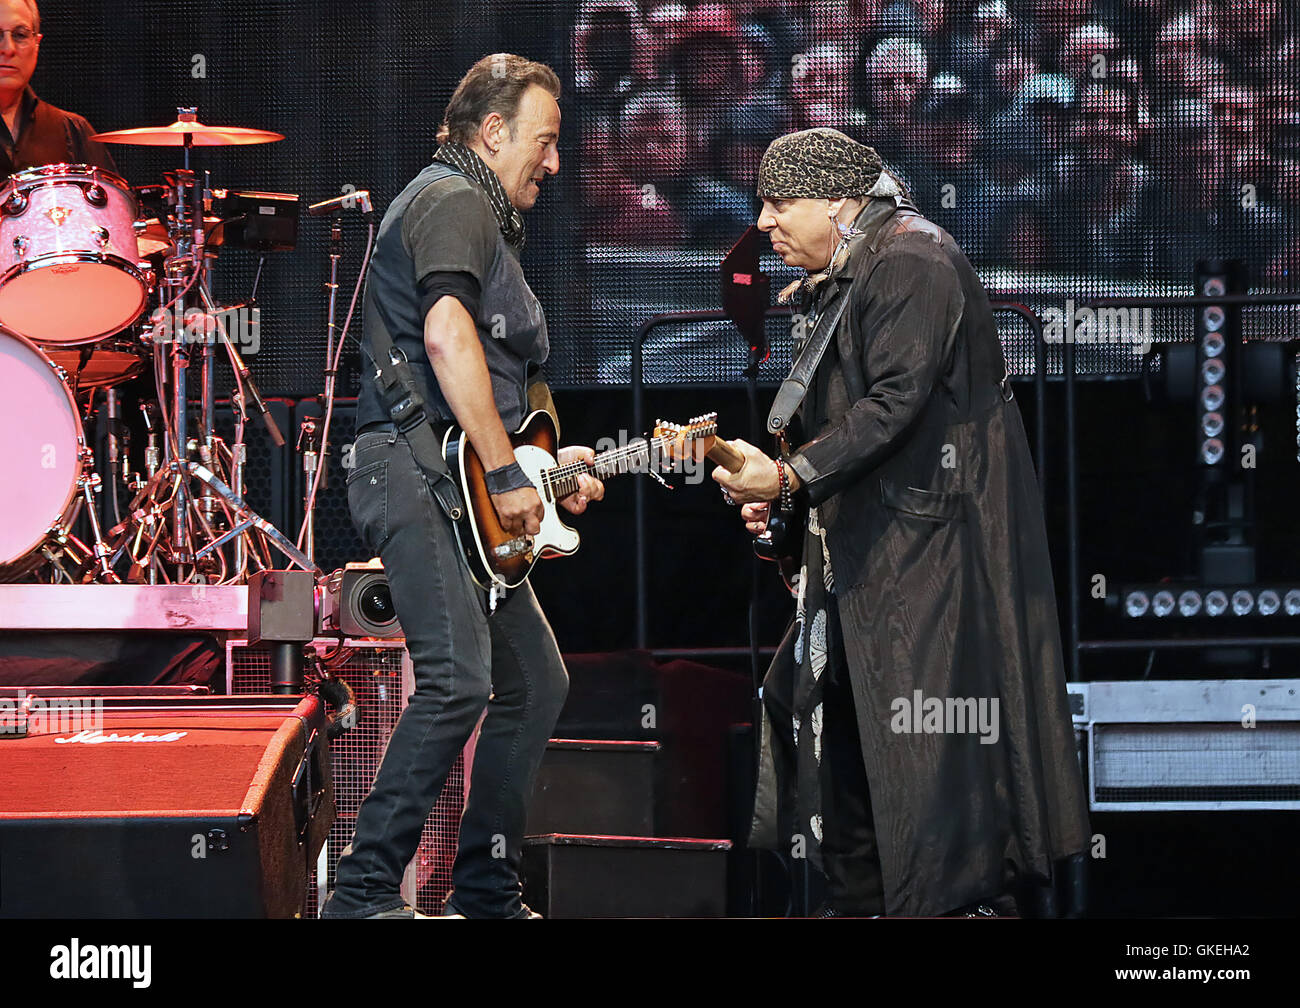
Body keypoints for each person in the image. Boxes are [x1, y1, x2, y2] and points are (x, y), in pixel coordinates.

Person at [713, 127, 1089, 917]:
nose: (764, 222)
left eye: (780, 202)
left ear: (841, 203)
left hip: (932, 564)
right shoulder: (844, 278)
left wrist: (786, 477)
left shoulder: (913, 258)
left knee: (931, 764)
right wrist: (785, 504)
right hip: (874, 558)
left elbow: (890, 408)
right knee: (835, 734)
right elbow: (841, 422)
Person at [321, 53, 603, 920]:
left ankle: (483, 888)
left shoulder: (473, 209)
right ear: (492, 132)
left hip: (447, 474)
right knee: (455, 682)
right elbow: (446, 339)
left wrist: (547, 465)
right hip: (410, 473)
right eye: (544, 142)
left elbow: (492, 378)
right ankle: (361, 894)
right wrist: (506, 467)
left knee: (535, 682)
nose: (554, 163)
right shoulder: (452, 200)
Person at [0, 0, 116, 174]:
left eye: (20, 35)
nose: (8, 49)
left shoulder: (72, 131)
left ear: (37, 44)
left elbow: (115, 199)